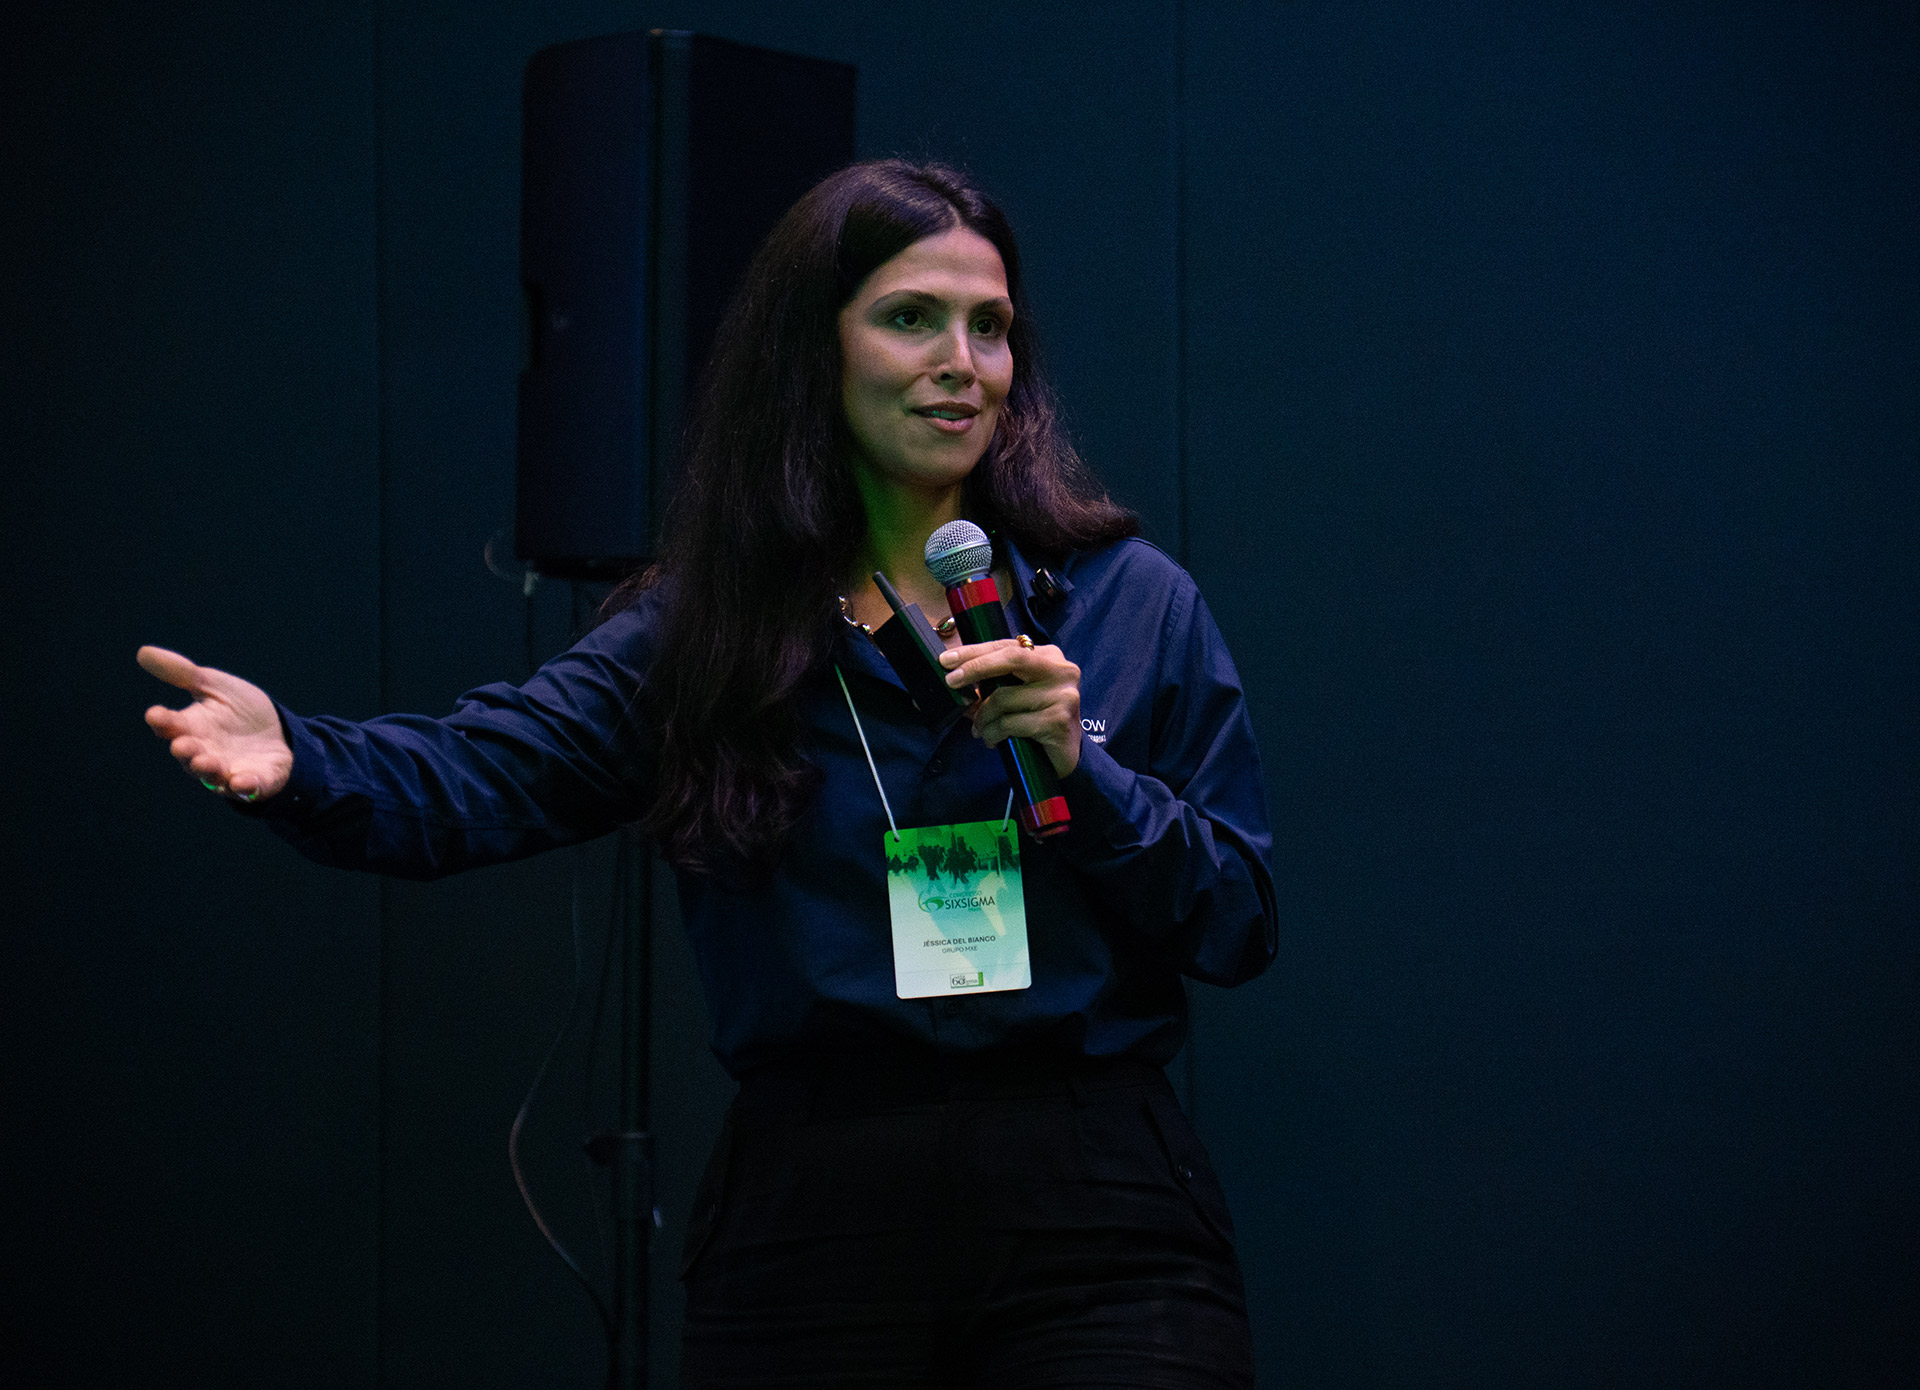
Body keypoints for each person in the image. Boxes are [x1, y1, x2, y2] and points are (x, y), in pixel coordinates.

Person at [141, 160, 1276, 1388]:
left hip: (1095, 1210)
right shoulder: (712, 628)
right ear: (813, 350)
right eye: (911, 318)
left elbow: (1238, 916)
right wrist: (301, 758)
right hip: (818, 1213)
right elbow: (483, 770)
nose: (963, 362)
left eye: (989, 327)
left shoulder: (1130, 604)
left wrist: (1082, 775)